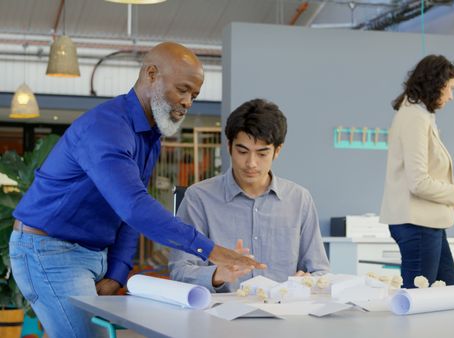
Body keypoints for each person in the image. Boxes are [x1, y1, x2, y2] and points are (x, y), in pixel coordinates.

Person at [9, 42, 264, 337]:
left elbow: (129, 212)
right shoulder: (106, 128)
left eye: (194, 95)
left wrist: (117, 272)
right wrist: (211, 250)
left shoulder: (149, 135)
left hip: (90, 254)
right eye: (182, 89)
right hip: (49, 249)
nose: (188, 102)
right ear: (151, 75)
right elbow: (133, 206)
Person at [169, 99, 330, 292]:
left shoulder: (299, 199)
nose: (251, 163)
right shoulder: (199, 198)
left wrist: (307, 281)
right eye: (242, 151)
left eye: (262, 154)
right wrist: (217, 275)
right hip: (220, 316)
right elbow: (180, 270)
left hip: (284, 313)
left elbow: (320, 272)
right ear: (229, 147)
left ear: (277, 151)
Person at [379, 54, 454, 288]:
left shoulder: (420, 115)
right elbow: (419, 183)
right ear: (435, 85)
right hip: (418, 226)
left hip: (427, 224)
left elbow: (431, 181)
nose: (452, 96)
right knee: (418, 301)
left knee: (449, 294)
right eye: (450, 88)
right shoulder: (414, 118)